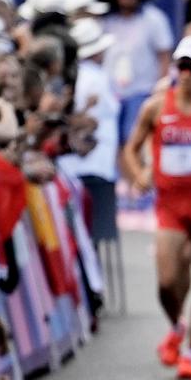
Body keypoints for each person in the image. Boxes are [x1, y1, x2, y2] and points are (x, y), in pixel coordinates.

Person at [124, 35, 191, 380]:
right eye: (182, 65)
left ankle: (190, 345)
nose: (186, 73)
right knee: (167, 281)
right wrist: (138, 174)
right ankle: (179, 327)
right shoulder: (155, 106)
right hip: (169, 204)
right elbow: (131, 147)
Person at [60, 18, 120, 267]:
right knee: (89, 235)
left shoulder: (73, 75)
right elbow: (90, 122)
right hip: (94, 170)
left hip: (73, 169)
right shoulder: (95, 77)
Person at [102, 0, 173, 142]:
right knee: (111, 141)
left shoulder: (154, 19)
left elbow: (164, 57)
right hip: (111, 93)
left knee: (133, 139)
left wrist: (160, 90)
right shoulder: (108, 20)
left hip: (141, 93)